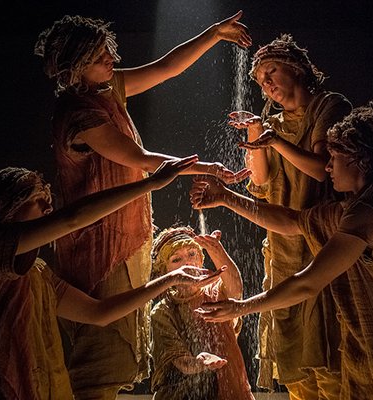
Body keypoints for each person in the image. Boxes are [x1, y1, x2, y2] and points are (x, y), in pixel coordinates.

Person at [33, 12, 251, 399]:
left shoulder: (107, 90)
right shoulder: (78, 112)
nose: (111, 60)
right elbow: (141, 159)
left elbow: (166, 68)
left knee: (120, 357)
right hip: (98, 246)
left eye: (107, 51)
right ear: (75, 66)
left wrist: (214, 34)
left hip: (127, 237)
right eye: (99, 57)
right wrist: (207, 168)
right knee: (104, 357)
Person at [190, 103, 373, 399]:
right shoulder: (355, 207)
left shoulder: (371, 210)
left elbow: (308, 282)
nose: (327, 167)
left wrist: (241, 307)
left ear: (360, 160)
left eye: (334, 158)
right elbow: (293, 221)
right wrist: (226, 197)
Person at [0, 156, 226, 400]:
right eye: (38, 199)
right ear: (7, 205)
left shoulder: (39, 274)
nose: (48, 207)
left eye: (48, 199)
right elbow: (72, 219)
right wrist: (149, 183)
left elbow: (99, 313)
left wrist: (171, 279)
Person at [227, 33, 352, 398]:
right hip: (282, 244)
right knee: (292, 350)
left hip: (322, 237)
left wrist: (275, 141)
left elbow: (321, 170)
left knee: (327, 344)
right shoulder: (272, 124)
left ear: (296, 68)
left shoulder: (328, 105)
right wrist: (257, 131)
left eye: (271, 72)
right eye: (260, 80)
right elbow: (261, 182)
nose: (266, 84)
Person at [149, 226, 254, 400]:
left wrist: (217, 250)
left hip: (232, 388)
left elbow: (235, 290)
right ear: (164, 271)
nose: (187, 263)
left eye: (192, 254)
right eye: (176, 259)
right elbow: (180, 361)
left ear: (201, 259)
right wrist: (200, 362)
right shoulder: (163, 312)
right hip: (183, 394)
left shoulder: (215, 291)